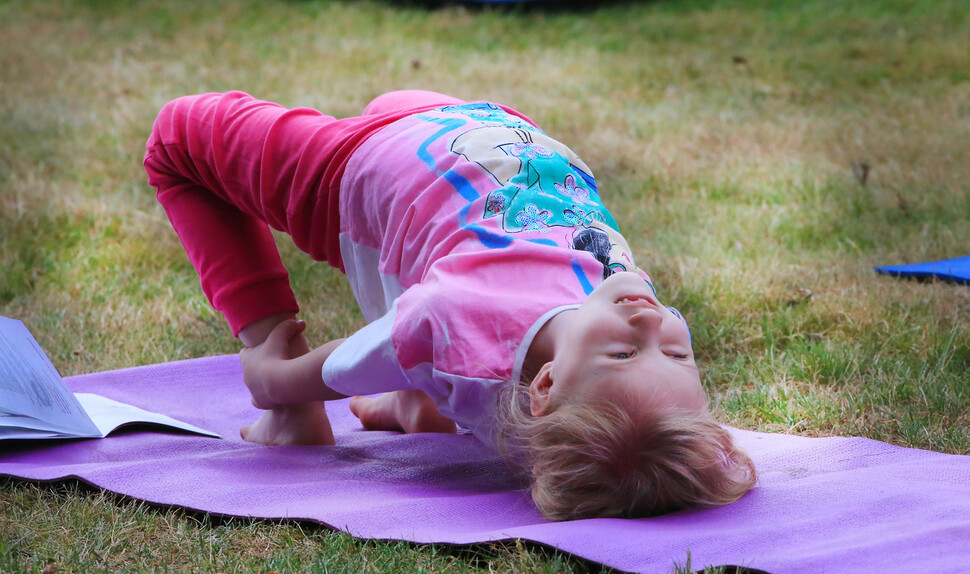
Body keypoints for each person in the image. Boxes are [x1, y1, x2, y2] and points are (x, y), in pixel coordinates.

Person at [144, 89, 756, 520]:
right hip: (487, 132)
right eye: (678, 352)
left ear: (543, 385)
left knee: (178, 138)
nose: (649, 318)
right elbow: (611, 419)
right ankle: (420, 407)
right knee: (395, 97)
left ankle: (291, 417)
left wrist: (277, 380)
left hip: (373, 174)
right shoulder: (606, 352)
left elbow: (352, 360)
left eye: (625, 351)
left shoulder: (454, 322)